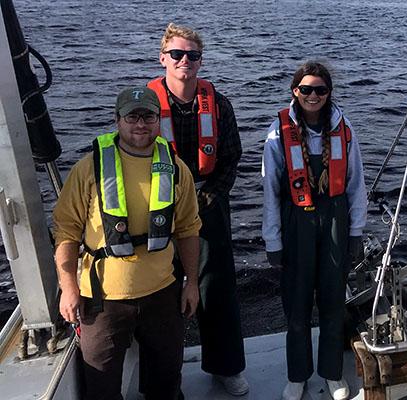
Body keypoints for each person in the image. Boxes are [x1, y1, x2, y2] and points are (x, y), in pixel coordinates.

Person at [54, 87, 201, 400]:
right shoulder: (88, 169)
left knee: (166, 382)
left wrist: (191, 283)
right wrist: (68, 288)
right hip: (103, 299)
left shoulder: (177, 169)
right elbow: (66, 231)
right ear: (117, 120)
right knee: (101, 385)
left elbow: (188, 228)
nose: (140, 123)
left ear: (158, 120)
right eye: (132, 116)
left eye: (148, 115)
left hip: (163, 293)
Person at [147, 23, 248, 395]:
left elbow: (232, 157)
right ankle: (162, 378)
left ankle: (226, 367)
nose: (184, 61)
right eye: (177, 54)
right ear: (163, 59)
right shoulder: (145, 107)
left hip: (208, 205)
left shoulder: (218, 104)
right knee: (159, 293)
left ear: (200, 61)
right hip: (158, 208)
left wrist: (210, 196)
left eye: (192, 55)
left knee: (216, 287)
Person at [262, 62, 366, 400]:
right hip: (297, 221)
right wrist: (273, 240)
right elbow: (270, 193)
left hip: (335, 219)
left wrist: (356, 233)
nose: (313, 95)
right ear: (295, 91)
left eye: (320, 89)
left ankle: (333, 373)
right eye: (305, 89)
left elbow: (356, 185)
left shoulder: (344, 127)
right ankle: (298, 374)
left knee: (334, 301)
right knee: (297, 302)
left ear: (329, 93)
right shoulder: (278, 133)